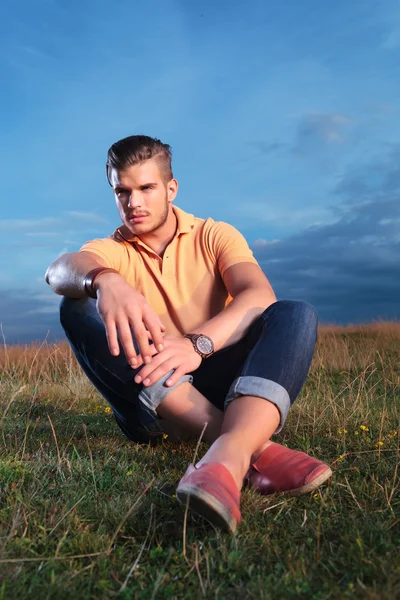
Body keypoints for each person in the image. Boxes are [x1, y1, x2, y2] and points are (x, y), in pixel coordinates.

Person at [46, 134, 332, 533]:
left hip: (218, 379)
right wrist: (105, 280)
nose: (134, 203)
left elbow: (258, 294)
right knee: (74, 305)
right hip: (149, 400)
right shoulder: (111, 248)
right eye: (122, 191)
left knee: (295, 313)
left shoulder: (215, 234)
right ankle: (251, 447)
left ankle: (225, 457)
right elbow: (57, 271)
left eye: (146, 188)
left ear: (171, 188)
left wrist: (198, 345)